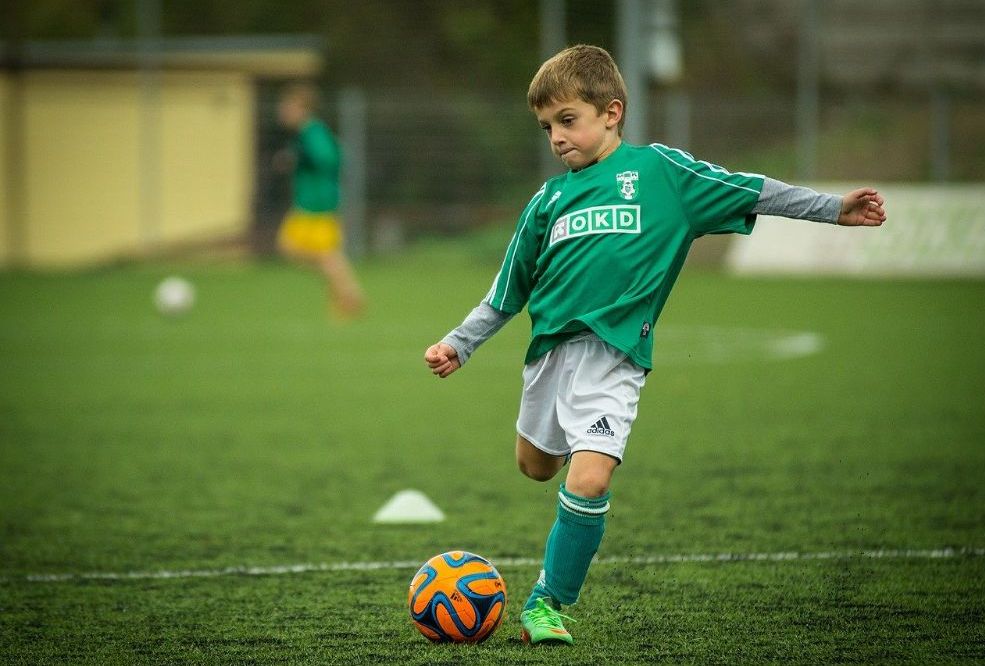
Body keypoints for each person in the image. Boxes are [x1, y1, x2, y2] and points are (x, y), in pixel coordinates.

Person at [424, 45, 885, 646]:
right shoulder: (547, 202)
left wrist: (832, 208)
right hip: (549, 359)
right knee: (535, 466)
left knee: (588, 481)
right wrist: (460, 345)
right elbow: (506, 292)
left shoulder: (663, 174)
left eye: (568, 119)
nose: (557, 137)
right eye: (546, 127)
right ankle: (578, 460)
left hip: (615, 359)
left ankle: (548, 603)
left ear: (611, 112)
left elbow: (751, 190)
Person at [275, 83, 365, 317]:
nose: (283, 111)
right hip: (310, 202)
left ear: (301, 108)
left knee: (312, 252)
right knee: (300, 250)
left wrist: (300, 157)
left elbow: (329, 158)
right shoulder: (306, 134)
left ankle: (349, 294)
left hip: (317, 204)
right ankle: (347, 292)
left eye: (288, 106)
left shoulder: (312, 132)